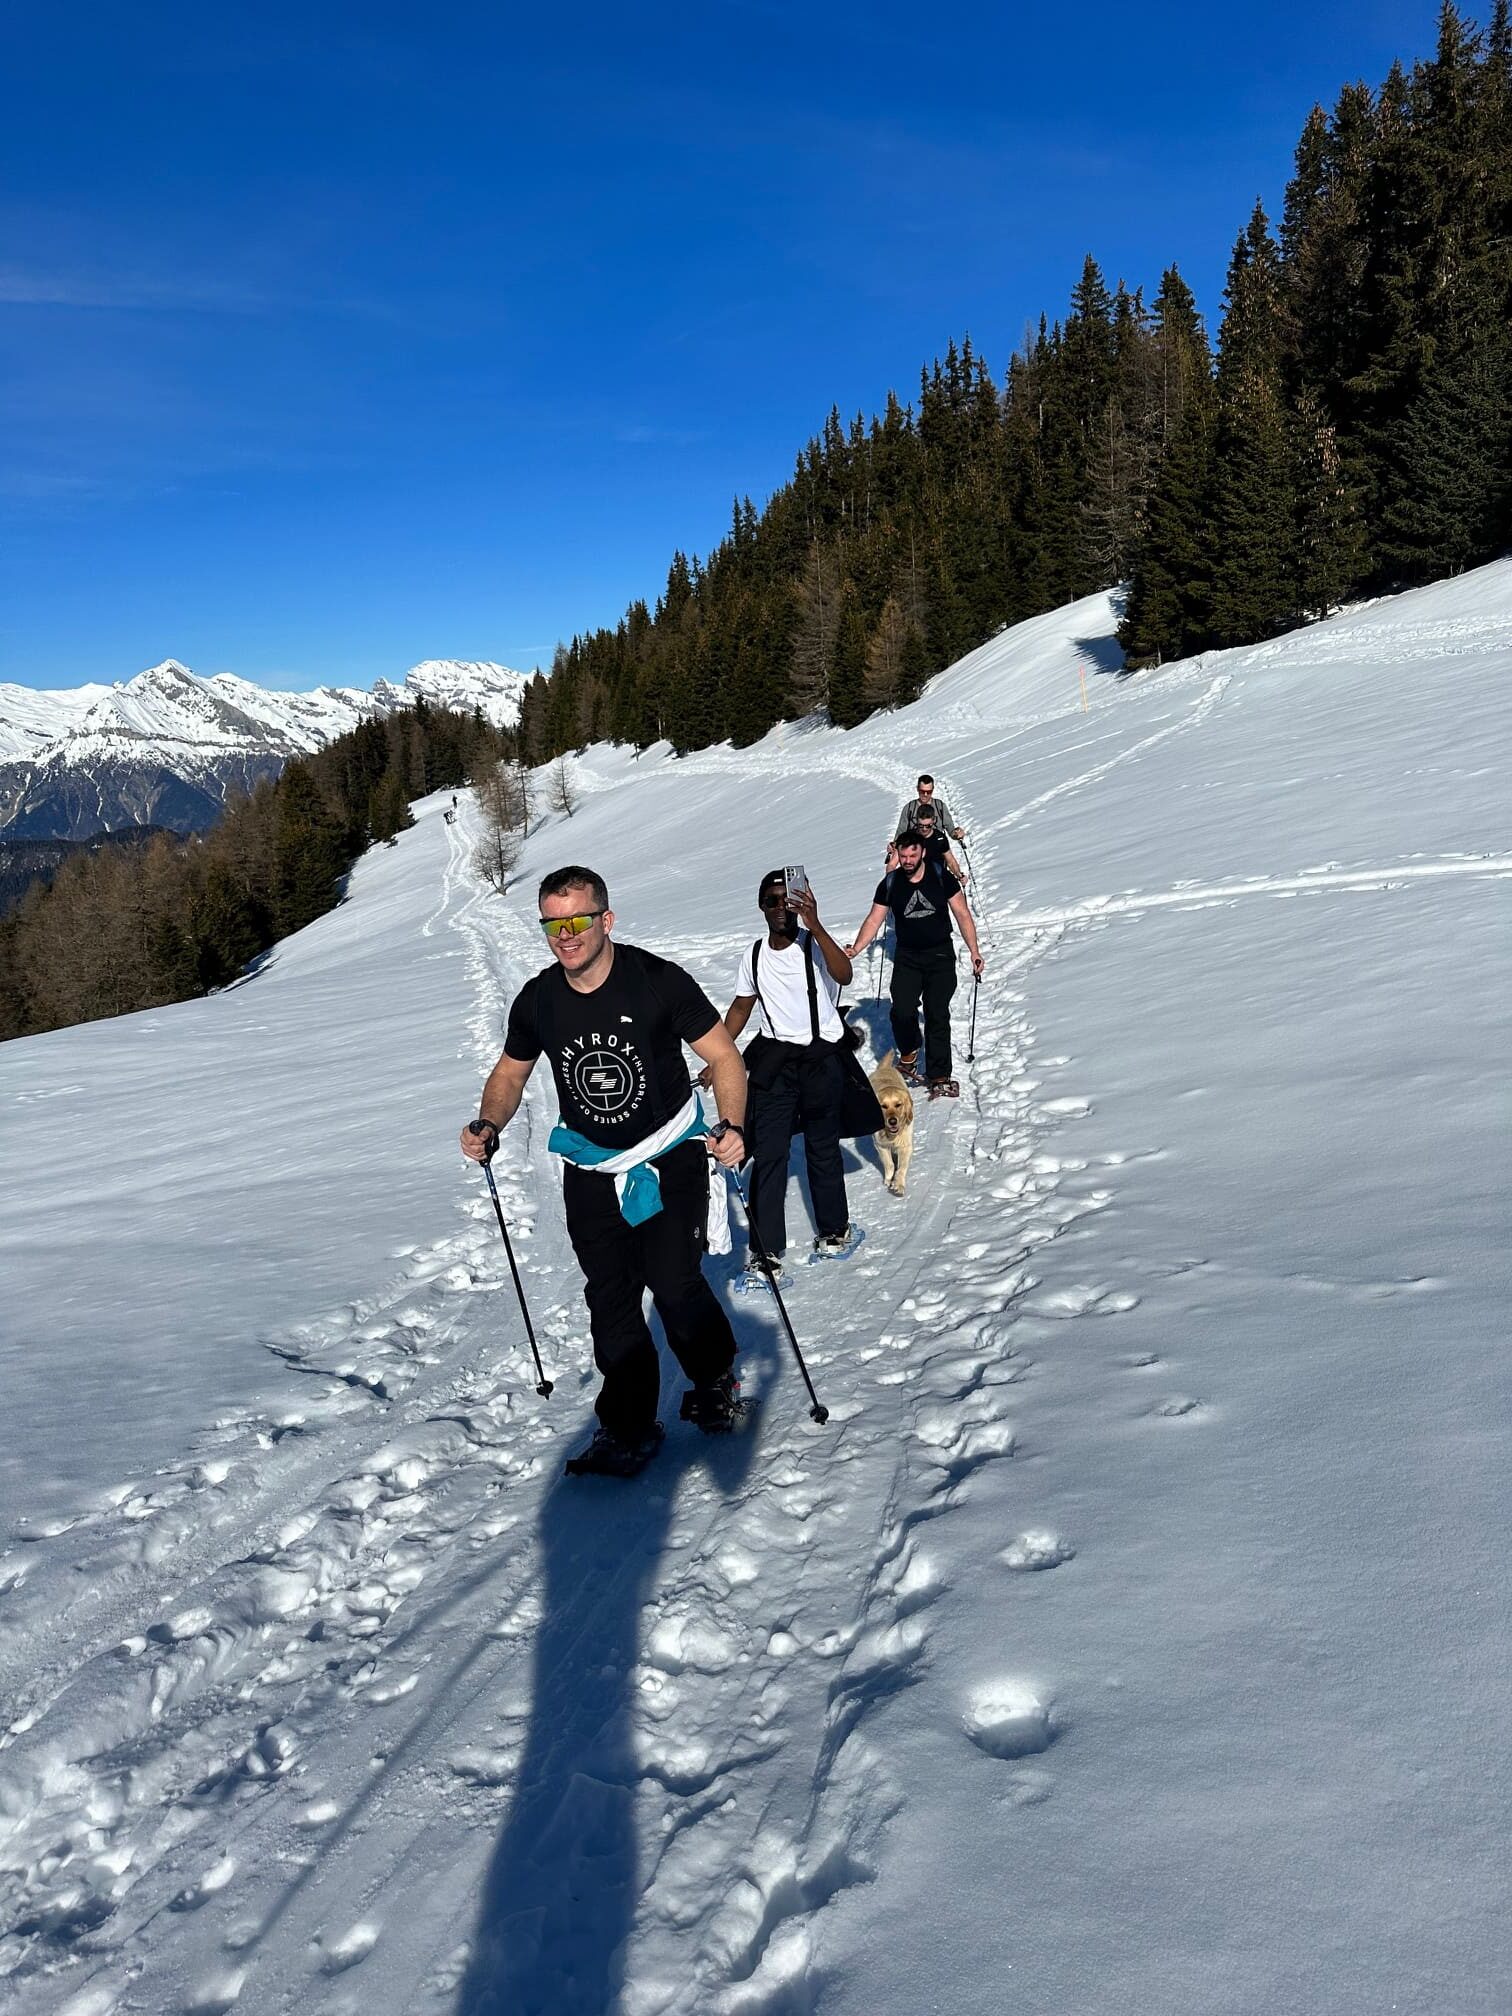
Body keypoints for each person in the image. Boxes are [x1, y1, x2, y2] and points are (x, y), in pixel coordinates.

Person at [461, 865, 749, 1474]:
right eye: (552, 924)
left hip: (667, 1157)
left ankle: (714, 1378)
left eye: (577, 920)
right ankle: (628, 1424)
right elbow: (510, 1074)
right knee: (611, 1299)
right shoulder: (539, 999)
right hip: (591, 1169)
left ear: (605, 920)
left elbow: (724, 1055)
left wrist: (732, 1126)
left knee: (673, 1282)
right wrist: (489, 1124)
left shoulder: (656, 982)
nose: (565, 934)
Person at [707, 870, 856, 1281]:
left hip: (821, 1058)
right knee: (768, 1153)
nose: (780, 909)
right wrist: (717, 1056)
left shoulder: (814, 945)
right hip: (776, 1063)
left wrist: (815, 922)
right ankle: (765, 1251)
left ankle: (833, 1231)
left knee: (821, 1149)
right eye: (772, 901)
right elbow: (740, 1008)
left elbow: (844, 975)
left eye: (787, 900)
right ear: (761, 907)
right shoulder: (754, 955)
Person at [847, 829, 983, 1097]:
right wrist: (856, 948)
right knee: (901, 1010)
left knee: (937, 1013)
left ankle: (940, 1074)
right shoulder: (890, 883)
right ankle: (909, 1051)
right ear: (896, 853)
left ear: (922, 852)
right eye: (903, 854)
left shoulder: (940, 875)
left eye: (913, 854)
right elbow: (874, 919)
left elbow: (962, 914)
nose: (907, 860)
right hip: (908, 956)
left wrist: (974, 951)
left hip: (940, 954)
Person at [884, 804, 964, 885]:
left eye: (928, 826)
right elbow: (892, 864)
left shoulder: (940, 838)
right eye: (921, 826)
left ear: (933, 820)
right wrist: (890, 879)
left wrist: (959, 875)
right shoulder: (907, 838)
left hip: (937, 884)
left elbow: (950, 861)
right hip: (913, 884)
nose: (924, 829)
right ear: (917, 821)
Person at [896, 773, 964, 842]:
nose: (925, 795)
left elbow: (951, 830)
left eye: (929, 792)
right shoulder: (909, 808)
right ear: (917, 789)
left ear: (933, 789)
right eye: (922, 791)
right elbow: (900, 832)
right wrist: (894, 846)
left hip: (937, 848)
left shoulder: (940, 806)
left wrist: (957, 834)